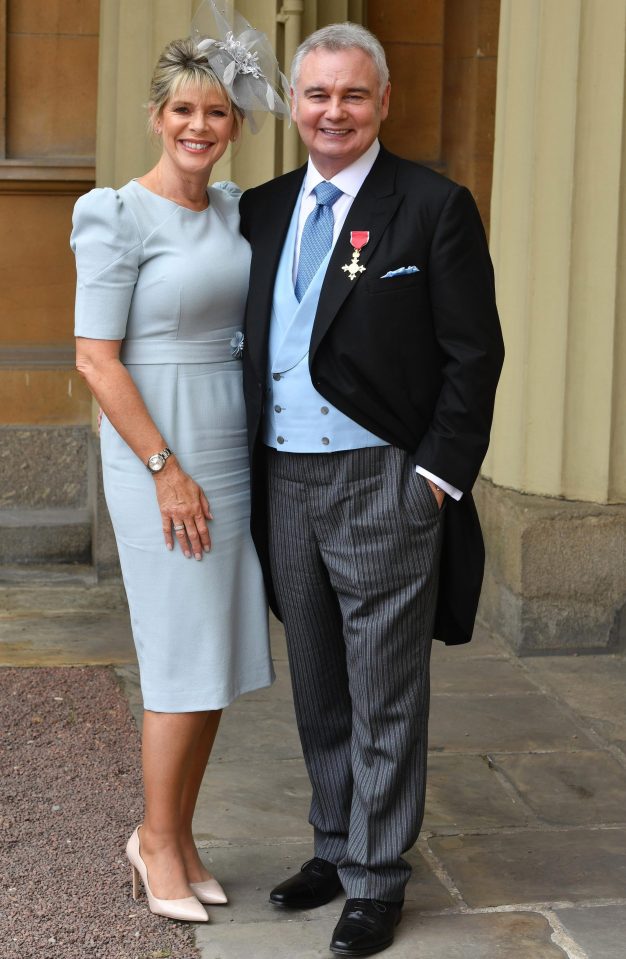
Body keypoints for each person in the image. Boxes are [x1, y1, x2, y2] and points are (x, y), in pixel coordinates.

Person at [239, 22, 504, 957]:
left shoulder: (431, 207)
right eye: (317, 94)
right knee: (317, 680)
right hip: (283, 481)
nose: (333, 112)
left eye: (353, 95)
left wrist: (432, 479)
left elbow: (476, 355)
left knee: (384, 686)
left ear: (382, 101)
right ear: (296, 105)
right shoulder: (264, 207)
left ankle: (378, 877)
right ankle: (332, 845)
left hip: (382, 480)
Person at [71, 1, 289, 924]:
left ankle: (180, 831)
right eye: (185, 111)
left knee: (218, 651)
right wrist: (164, 466)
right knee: (177, 655)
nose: (201, 128)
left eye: (219, 113)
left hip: (226, 446)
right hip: (158, 447)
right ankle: (152, 840)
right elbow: (94, 357)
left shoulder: (238, 211)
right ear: (158, 117)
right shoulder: (115, 215)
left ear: (236, 125)